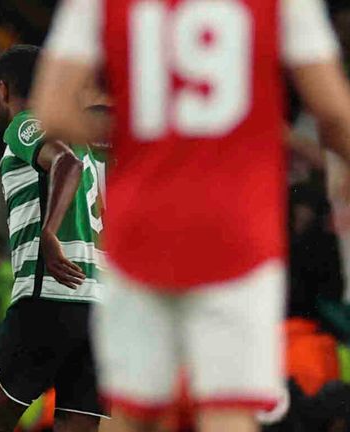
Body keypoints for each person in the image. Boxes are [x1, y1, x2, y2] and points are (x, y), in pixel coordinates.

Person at [31, 0, 350, 431]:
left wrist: (139, 140)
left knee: (130, 412)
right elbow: (334, 115)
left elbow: (51, 111)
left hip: (141, 231)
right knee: (228, 410)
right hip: (238, 232)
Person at [0, 44, 108, 432]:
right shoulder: (93, 142)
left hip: (48, 298)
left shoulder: (28, 123)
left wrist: (48, 232)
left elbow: (65, 162)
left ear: (1, 89)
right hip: (99, 306)